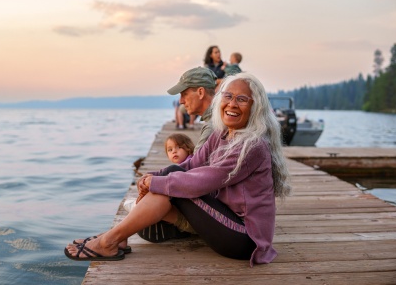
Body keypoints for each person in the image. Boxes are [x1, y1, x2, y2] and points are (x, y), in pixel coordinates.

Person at [65, 72, 291, 266]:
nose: (232, 104)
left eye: (242, 99)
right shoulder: (220, 134)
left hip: (246, 239)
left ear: (255, 107)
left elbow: (206, 180)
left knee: (175, 187)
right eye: (228, 96)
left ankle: (109, 241)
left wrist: (157, 183)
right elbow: (192, 164)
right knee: (173, 172)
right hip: (225, 219)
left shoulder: (253, 146)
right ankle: (117, 237)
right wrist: (155, 175)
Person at [167, 66, 216, 151]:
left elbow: (195, 163)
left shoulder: (213, 126)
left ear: (200, 92)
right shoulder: (218, 117)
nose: (181, 101)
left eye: (184, 94)